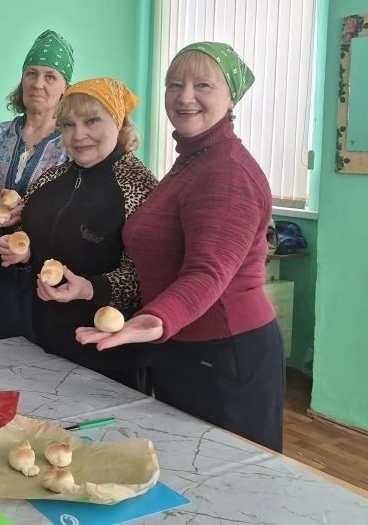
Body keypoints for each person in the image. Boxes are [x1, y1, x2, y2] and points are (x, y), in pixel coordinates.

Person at [75, 42, 285, 452]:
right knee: (185, 469)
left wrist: (154, 318)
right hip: (180, 344)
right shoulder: (192, 160)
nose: (185, 96)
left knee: (227, 477)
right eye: (174, 84)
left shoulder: (227, 172)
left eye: (202, 85)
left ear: (230, 97)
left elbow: (207, 273)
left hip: (223, 352)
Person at [0, 78, 156, 392]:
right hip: (47, 344)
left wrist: (91, 289)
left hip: (110, 359)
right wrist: (22, 254)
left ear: (118, 121)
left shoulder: (140, 187)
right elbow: (32, 239)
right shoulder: (50, 179)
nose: (78, 135)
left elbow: (149, 277)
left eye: (91, 121)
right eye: (68, 125)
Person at [0, 30, 74, 341]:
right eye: (31, 73)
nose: (38, 83)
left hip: (46, 266)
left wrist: (28, 212)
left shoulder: (72, 141)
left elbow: (73, 206)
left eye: (50, 76)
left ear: (65, 88)